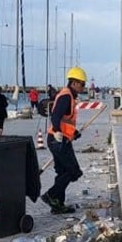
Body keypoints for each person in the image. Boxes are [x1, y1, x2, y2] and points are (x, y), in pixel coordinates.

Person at [41, 67, 86, 214]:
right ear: (73, 83)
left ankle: (58, 205)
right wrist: (57, 131)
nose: (83, 87)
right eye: (82, 84)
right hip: (58, 140)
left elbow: (66, 121)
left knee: (62, 172)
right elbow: (55, 115)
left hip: (62, 139)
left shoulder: (70, 97)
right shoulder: (66, 96)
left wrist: (74, 132)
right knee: (74, 171)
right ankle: (51, 195)